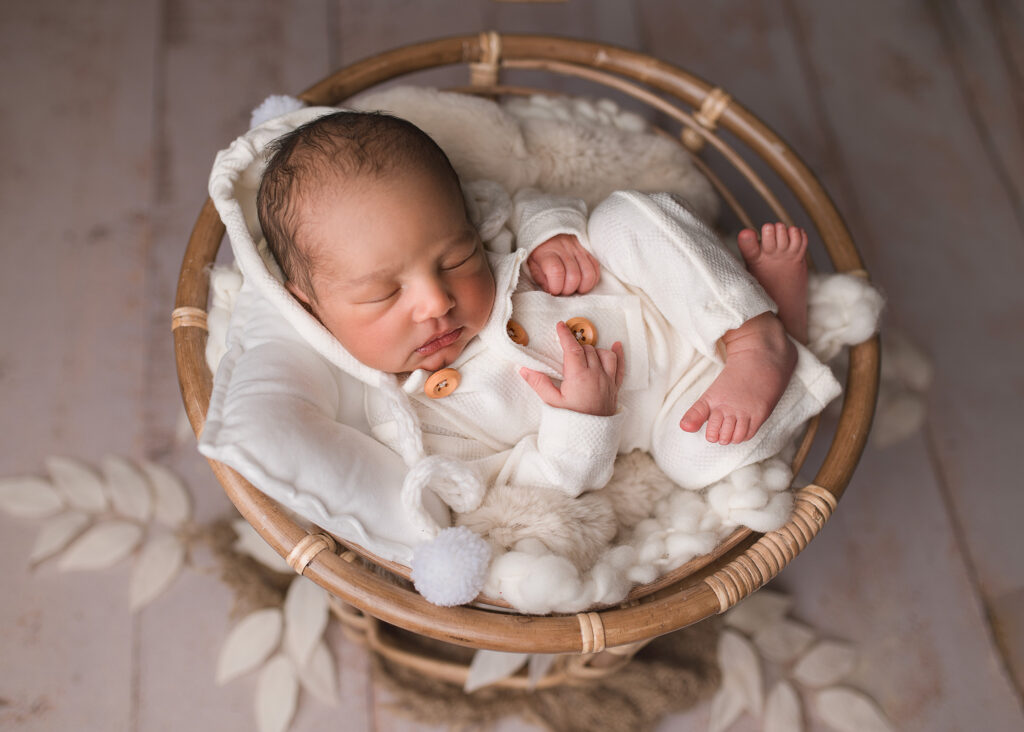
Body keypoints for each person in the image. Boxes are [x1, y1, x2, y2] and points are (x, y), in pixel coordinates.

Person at [254, 110, 838, 500]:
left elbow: (528, 201)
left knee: (619, 218)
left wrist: (551, 235)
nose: (436, 299)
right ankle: (787, 324)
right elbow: (537, 481)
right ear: (308, 306)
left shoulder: (493, 232)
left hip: (661, 287)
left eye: (456, 258)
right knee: (693, 461)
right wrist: (579, 420)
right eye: (385, 293)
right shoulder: (421, 427)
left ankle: (752, 333)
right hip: (675, 400)